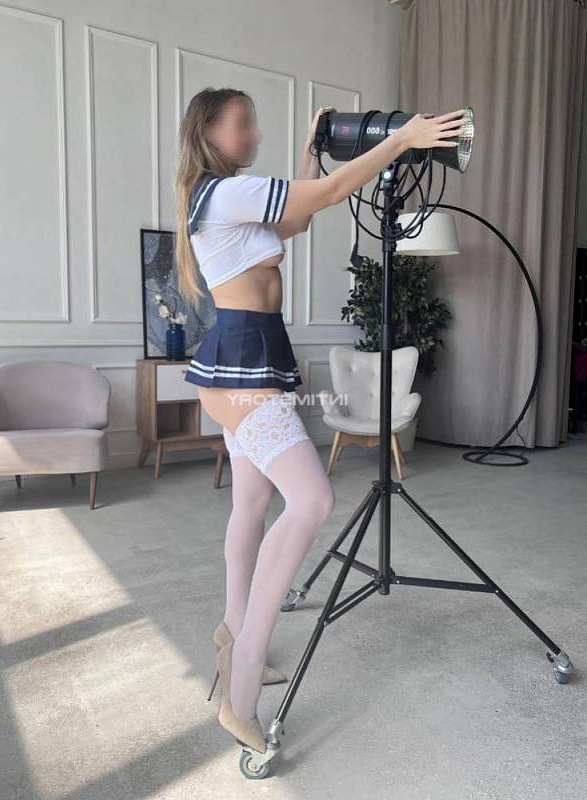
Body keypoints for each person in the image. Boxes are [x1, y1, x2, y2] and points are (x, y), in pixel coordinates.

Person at [174, 87, 465, 754]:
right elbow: (330, 196)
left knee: (251, 505)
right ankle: (243, 680)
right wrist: (401, 140)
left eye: (254, 122)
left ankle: (231, 633)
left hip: (247, 357)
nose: (254, 133)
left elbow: (300, 218)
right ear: (208, 132)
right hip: (243, 364)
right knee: (312, 500)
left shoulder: (225, 198)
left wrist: (311, 151)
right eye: (242, 124)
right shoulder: (227, 193)